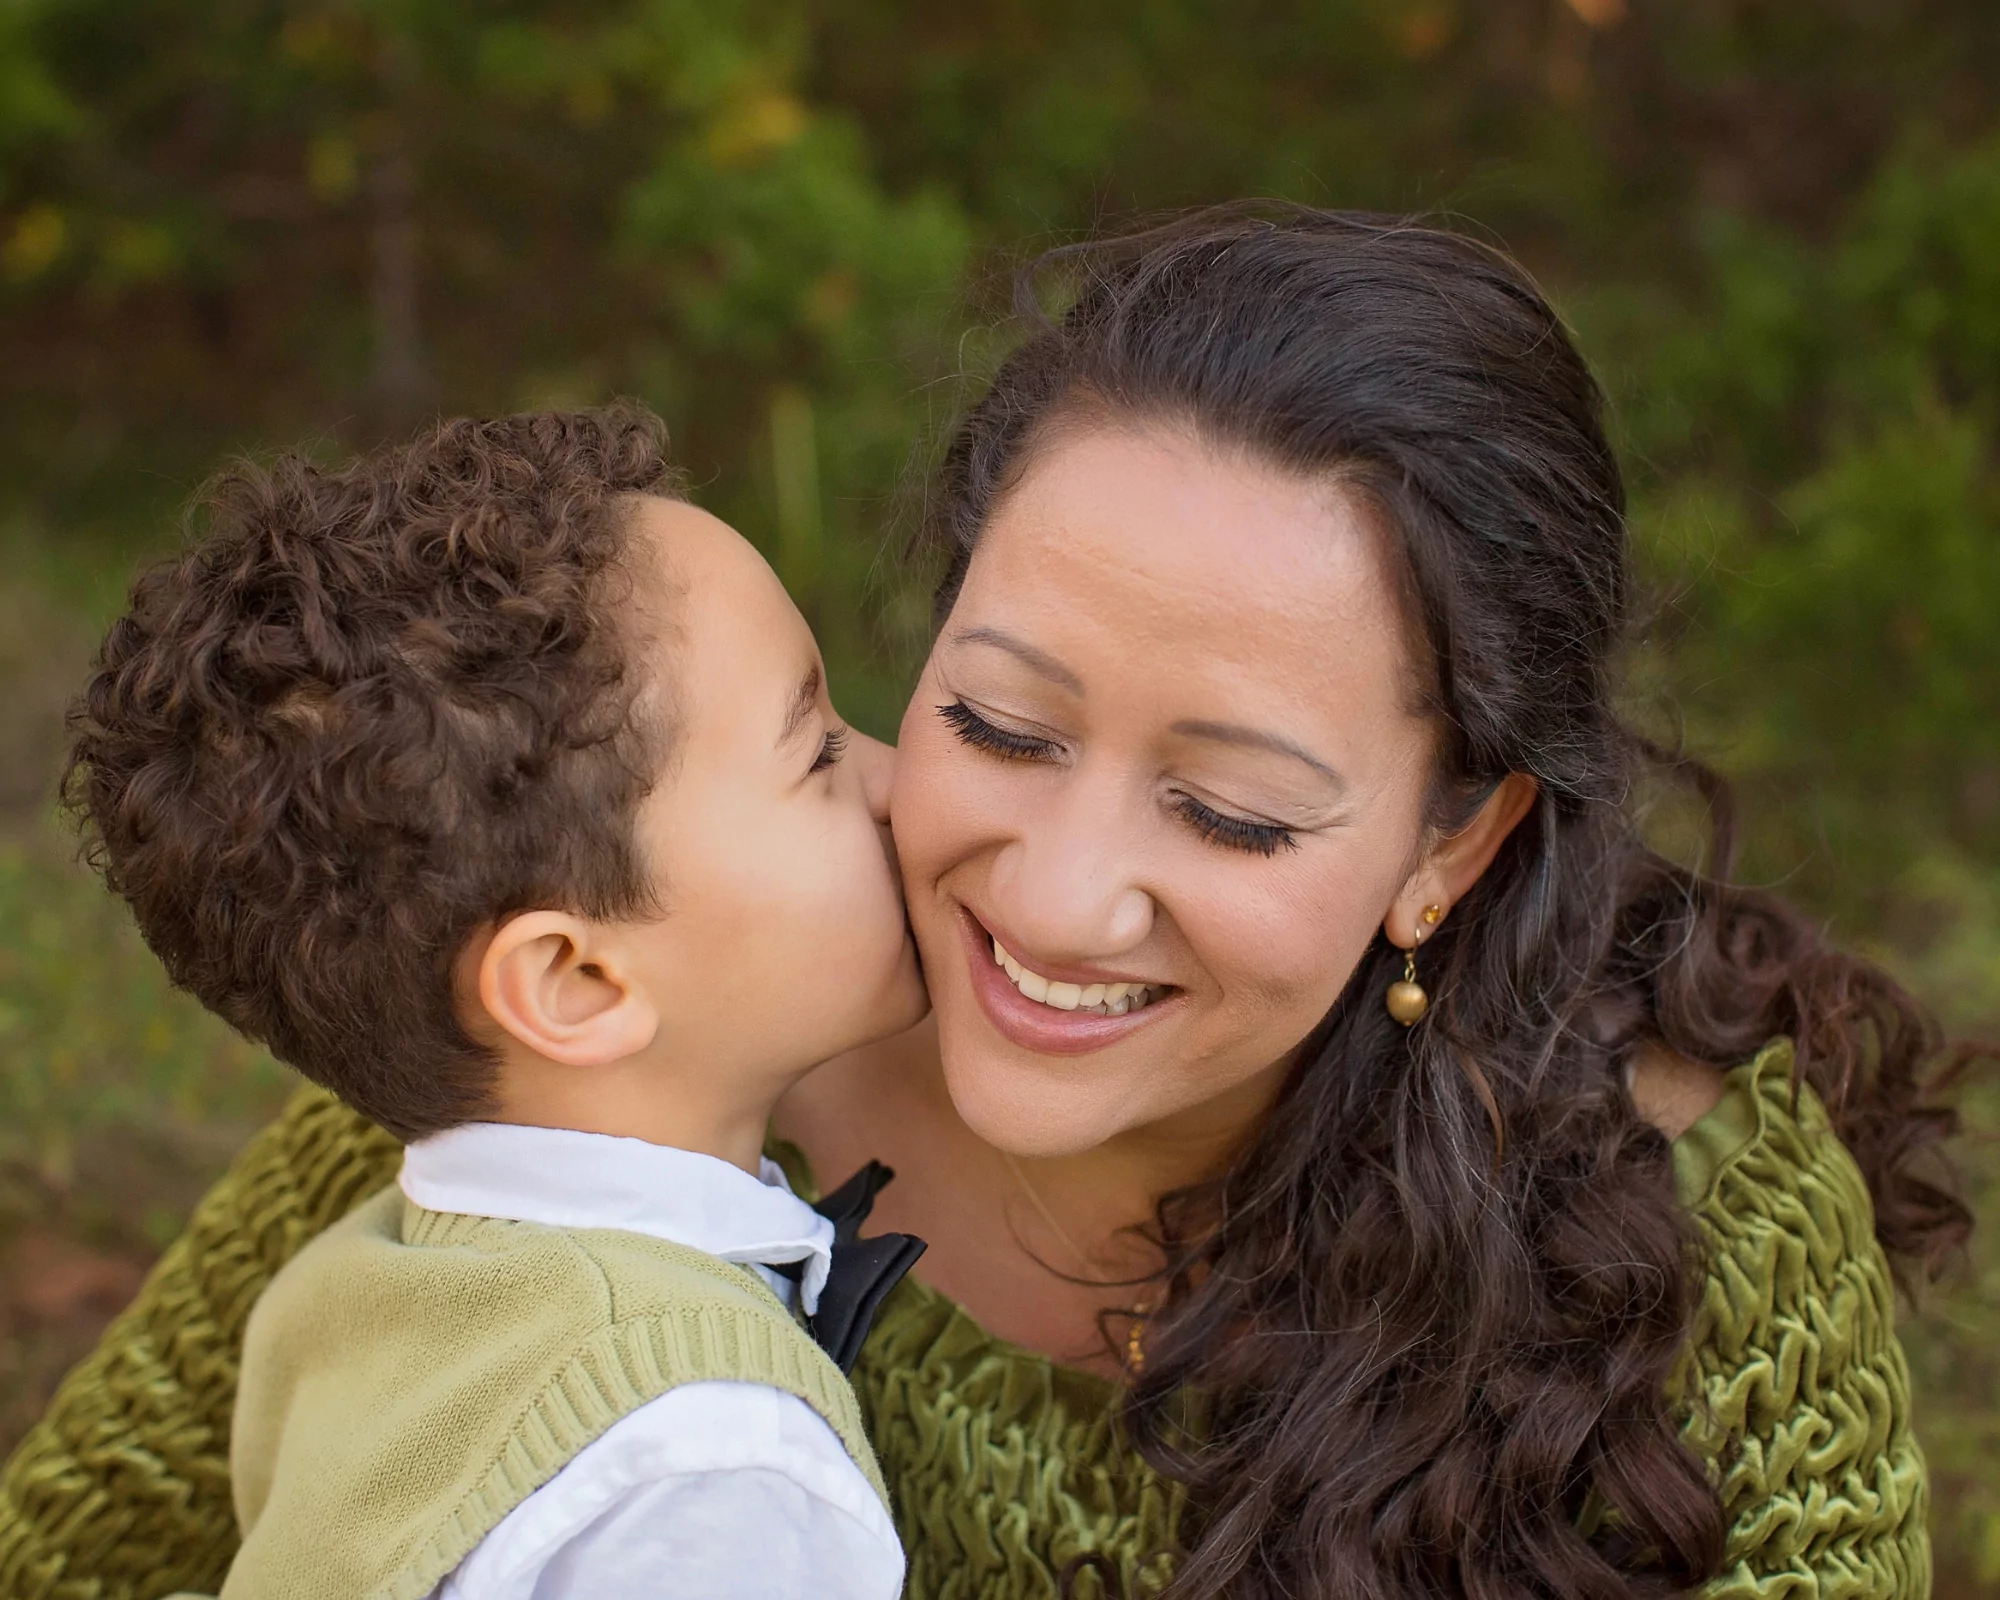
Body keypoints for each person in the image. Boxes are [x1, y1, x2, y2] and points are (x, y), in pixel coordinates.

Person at [0, 207, 1978, 1600]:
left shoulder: (1693, 1231)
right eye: (1000, 722)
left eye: (1225, 805)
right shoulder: (571, 1082)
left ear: (1448, 848)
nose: (1051, 891)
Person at [49, 408, 929, 1599]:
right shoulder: (712, 1471)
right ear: (574, 982)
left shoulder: (350, 1293)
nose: (895, 775)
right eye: (815, 751)